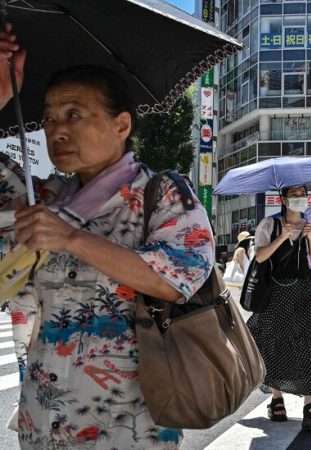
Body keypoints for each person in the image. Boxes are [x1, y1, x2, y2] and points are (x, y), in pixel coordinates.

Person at [0, 60, 215, 447]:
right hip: (45, 421)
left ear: (122, 125)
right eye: (48, 119)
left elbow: (176, 277)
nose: (58, 131)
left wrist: (72, 239)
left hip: (130, 426)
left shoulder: (164, 194)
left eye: (74, 114)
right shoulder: (44, 199)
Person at [247, 185, 311, 429]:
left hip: (302, 292)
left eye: (303, 195)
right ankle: (276, 398)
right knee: (272, 342)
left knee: (306, 341)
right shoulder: (269, 225)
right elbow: (259, 257)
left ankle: (309, 403)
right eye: (294, 195)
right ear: (283, 199)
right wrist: (282, 236)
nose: (299, 199)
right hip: (273, 292)